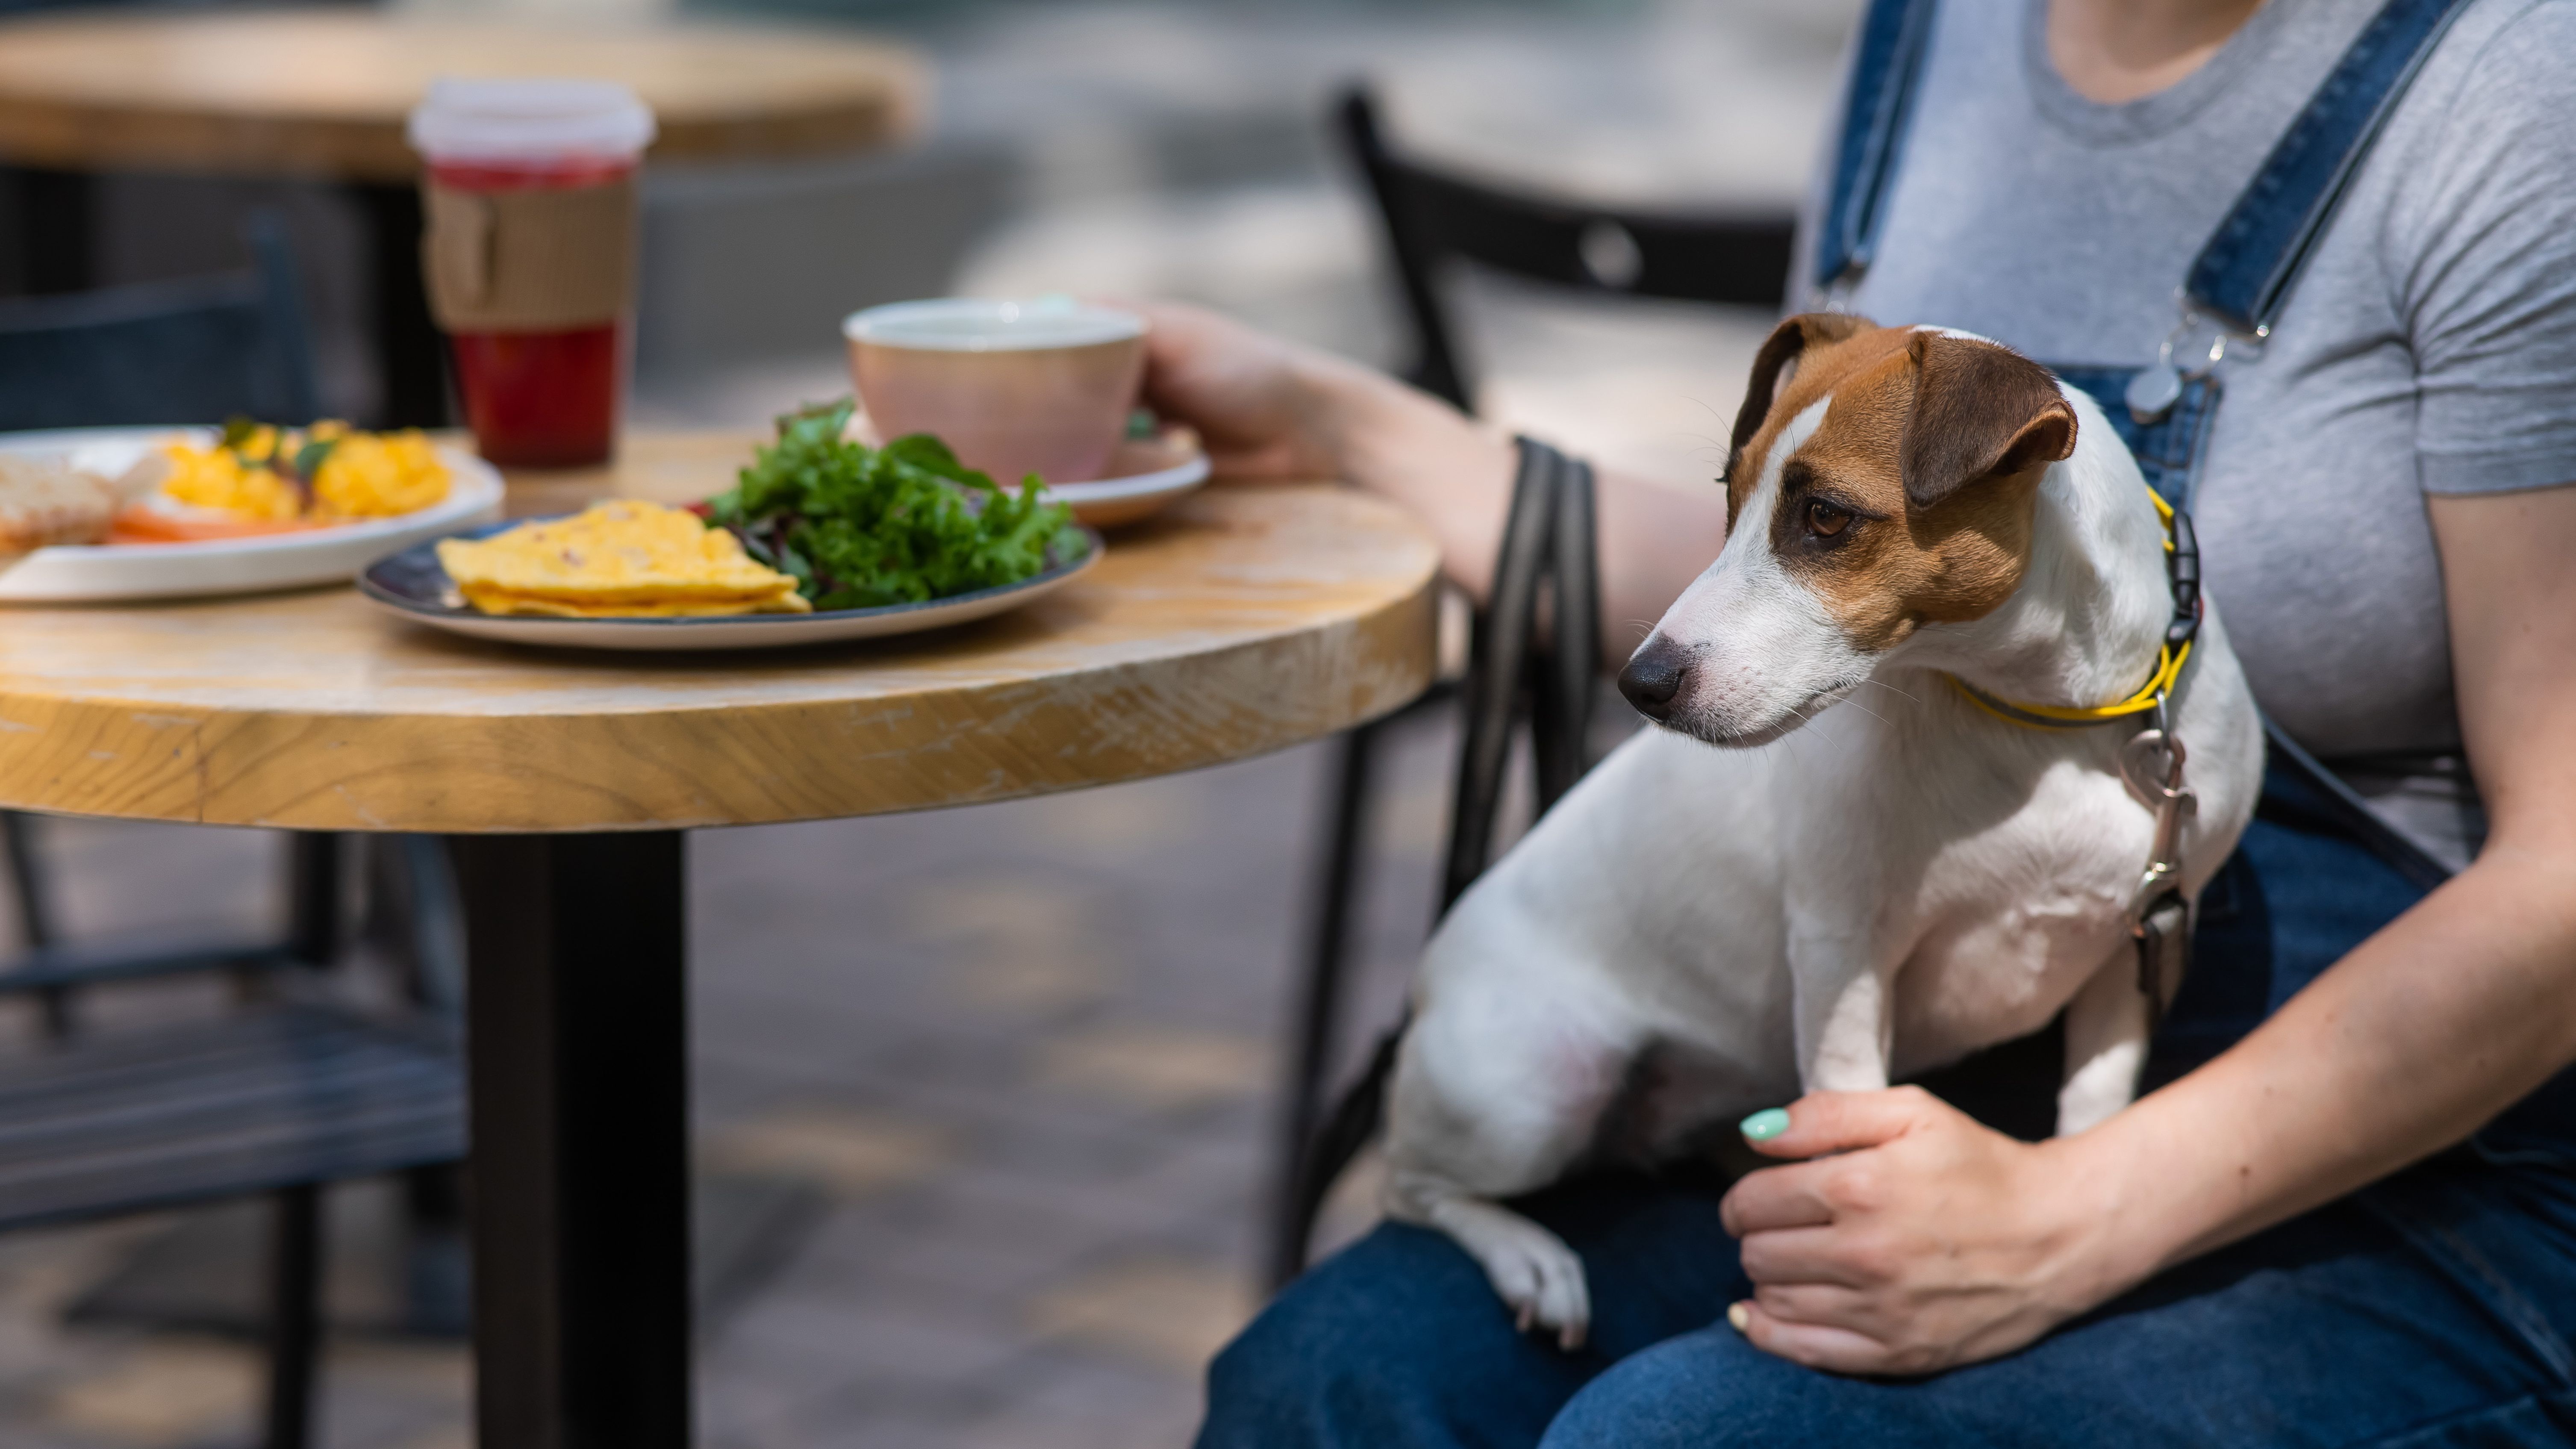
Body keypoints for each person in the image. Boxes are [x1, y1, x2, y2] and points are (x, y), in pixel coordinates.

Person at [1144, 0, 2576, 1442]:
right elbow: (1818, 565)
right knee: (1320, 1382)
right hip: (1905, 1061)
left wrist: (2068, 1220)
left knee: (1677, 1436)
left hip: (2423, 1119)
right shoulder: (1928, 34)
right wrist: (1334, 425)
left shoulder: (2513, 87)